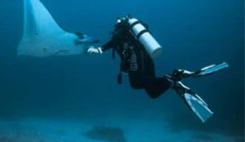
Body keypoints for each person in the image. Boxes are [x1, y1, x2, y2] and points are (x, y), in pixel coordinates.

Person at [86, 15, 227, 122]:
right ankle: (173, 81)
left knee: (136, 84)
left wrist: (99, 49)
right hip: (147, 57)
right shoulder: (131, 35)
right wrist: (122, 72)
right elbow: (124, 58)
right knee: (152, 93)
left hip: (138, 56)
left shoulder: (121, 31)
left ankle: (173, 76)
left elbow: (115, 41)